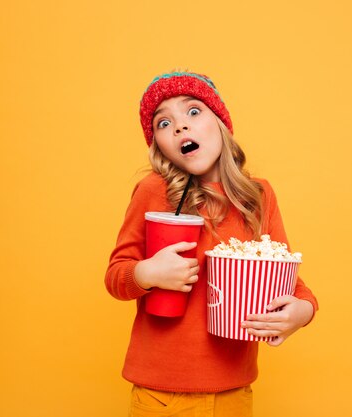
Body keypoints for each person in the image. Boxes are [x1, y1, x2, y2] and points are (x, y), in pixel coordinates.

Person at [105, 71, 318, 416]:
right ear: (158, 145)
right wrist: (148, 273)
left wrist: (302, 312)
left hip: (234, 392)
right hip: (161, 395)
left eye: (193, 112)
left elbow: (290, 279)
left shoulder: (258, 197)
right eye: (163, 123)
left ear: (220, 123)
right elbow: (116, 276)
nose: (179, 127)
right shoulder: (154, 193)